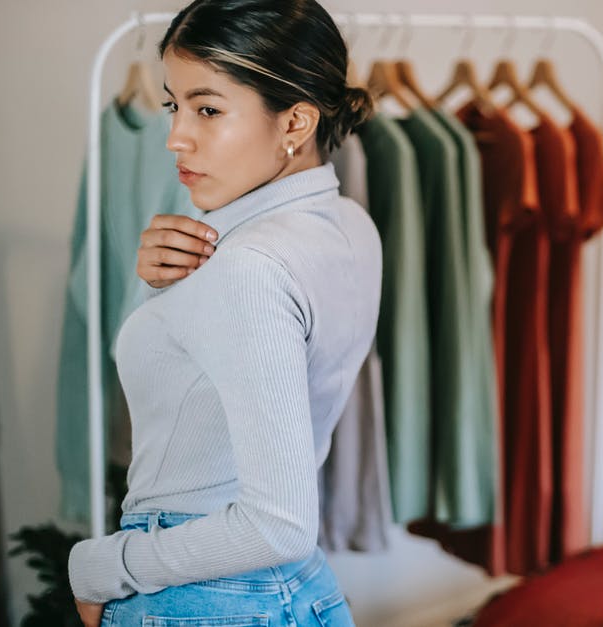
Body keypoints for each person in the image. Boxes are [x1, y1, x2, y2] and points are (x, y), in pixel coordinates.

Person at [66, 1, 379, 625]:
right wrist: (162, 287)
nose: (176, 136)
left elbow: (278, 523)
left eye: (208, 109)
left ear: (295, 122)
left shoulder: (250, 266)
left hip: (205, 591)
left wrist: (106, 565)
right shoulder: (349, 225)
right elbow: (205, 391)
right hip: (287, 589)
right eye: (174, 105)